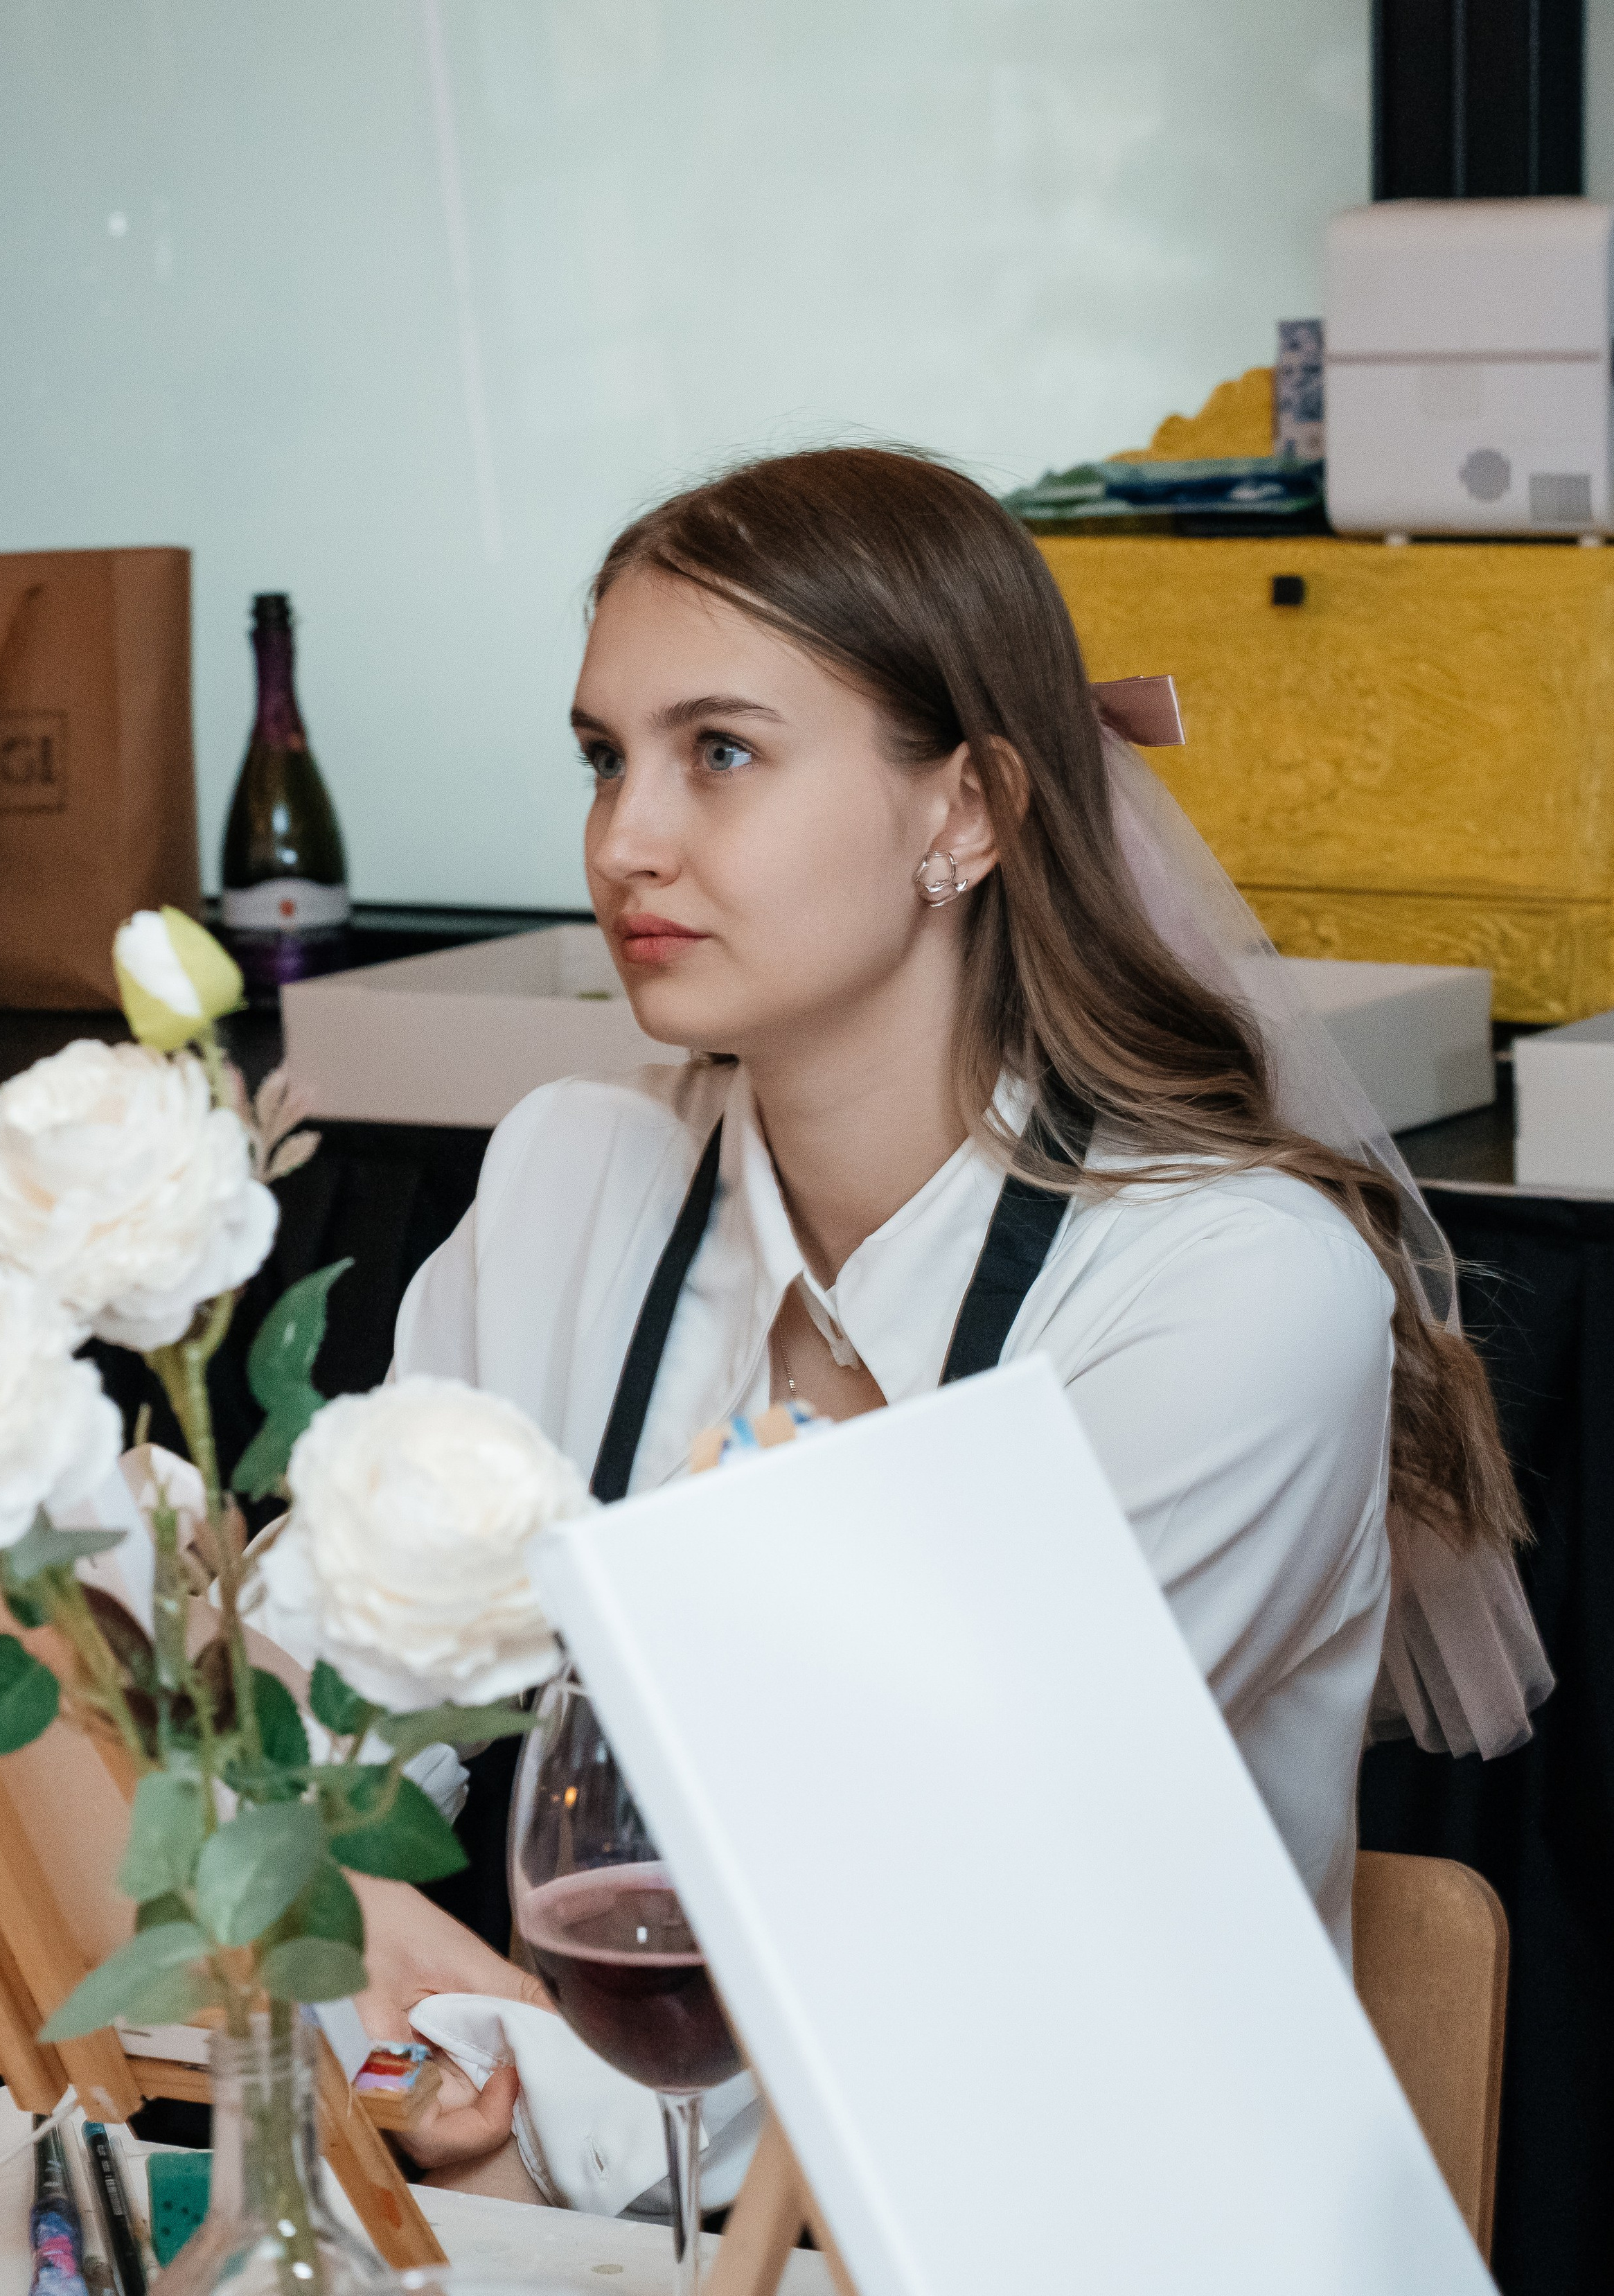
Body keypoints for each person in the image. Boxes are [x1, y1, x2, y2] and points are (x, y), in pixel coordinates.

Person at [347, 445, 1548, 2193]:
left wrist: (482, 2103)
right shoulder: (571, 1190)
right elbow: (287, 1735)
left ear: (964, 813)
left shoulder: (1228, 1299)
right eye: (604, 757)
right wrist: (335, 1899)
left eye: (721, 754)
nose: (626, 838)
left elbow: (924, 1926)